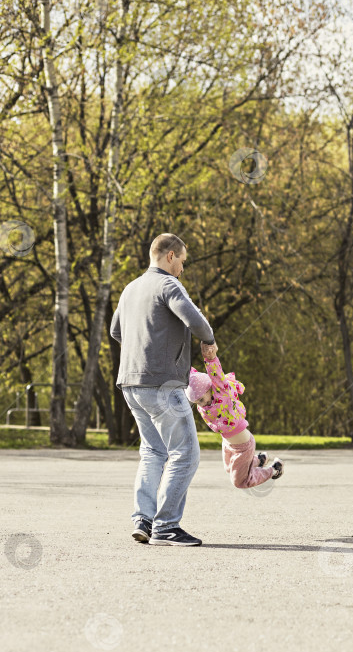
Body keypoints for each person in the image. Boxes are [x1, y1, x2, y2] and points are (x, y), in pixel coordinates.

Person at [110, 233, 215, 547]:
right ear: (171, 256)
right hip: (162, 384)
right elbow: (197, 322)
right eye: (182, 260)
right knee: (186, 455)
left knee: (152, 452)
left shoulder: (130, 288)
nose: (183, 267)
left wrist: (143, 352)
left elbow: (116, 330)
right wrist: (208, 341)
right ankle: (167, 527)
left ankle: (143, 520)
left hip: (131, 383)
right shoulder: (168, 285)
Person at [186, 342, 284, 489]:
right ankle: (259, 459)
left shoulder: (220, 391)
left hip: (243, 446)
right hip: (227, 442)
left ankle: (274, 469)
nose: (201, 404)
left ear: (210, 387)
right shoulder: (203, 406)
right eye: (197, 402)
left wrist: (210, 358)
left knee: (240, 481)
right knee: (229, 468)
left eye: (201, 399)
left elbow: (215, 373)